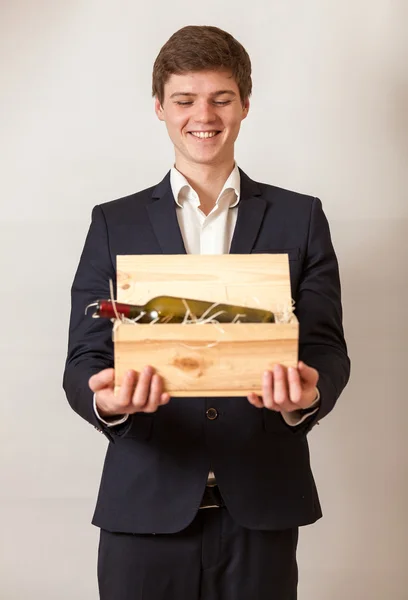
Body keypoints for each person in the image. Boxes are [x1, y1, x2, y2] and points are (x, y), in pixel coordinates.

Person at [63, 25, 350, 600]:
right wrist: (106, 401)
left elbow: (324, 348)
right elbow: (85, 356)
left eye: (220, 98)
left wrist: (308, 397)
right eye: (184, 100)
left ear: (245, 103)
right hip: (146, 502)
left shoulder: (301, 218)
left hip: (262, 506)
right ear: (159, 108)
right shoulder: (113, 223)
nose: (204, 115)